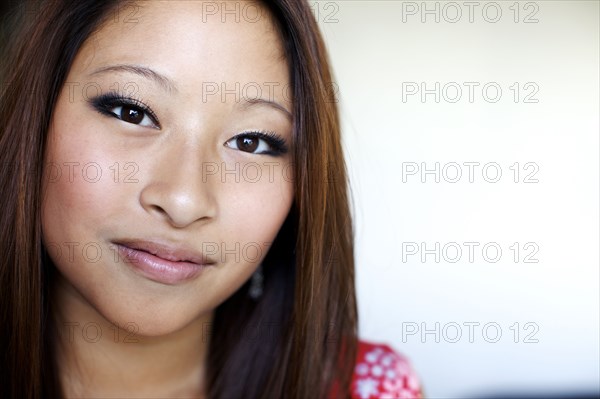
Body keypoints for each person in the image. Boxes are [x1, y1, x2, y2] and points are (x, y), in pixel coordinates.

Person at [0, 0, 423, 397]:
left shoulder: (367, 388)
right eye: (133, 111)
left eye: (251, 141)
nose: (184, 201)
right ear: (37, 114)